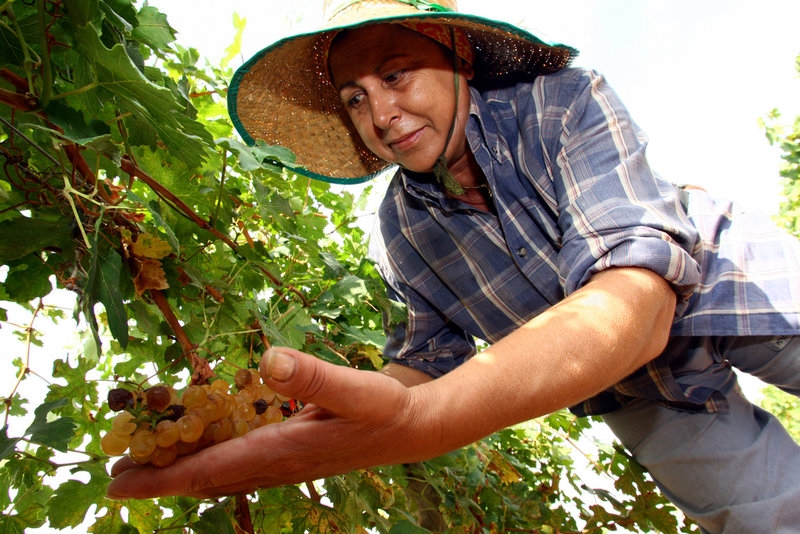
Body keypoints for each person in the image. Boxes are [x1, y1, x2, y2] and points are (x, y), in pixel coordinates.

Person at [107, 1, 800, 531]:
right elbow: (424, 360)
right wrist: (342, 407)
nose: (380, 113)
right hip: (641, 397)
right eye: (355, 97)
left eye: (395, 74)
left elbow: (636, 304)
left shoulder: (560, 103)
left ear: (459, 53)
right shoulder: (399, 227)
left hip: (734, 287)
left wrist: (423, 419)